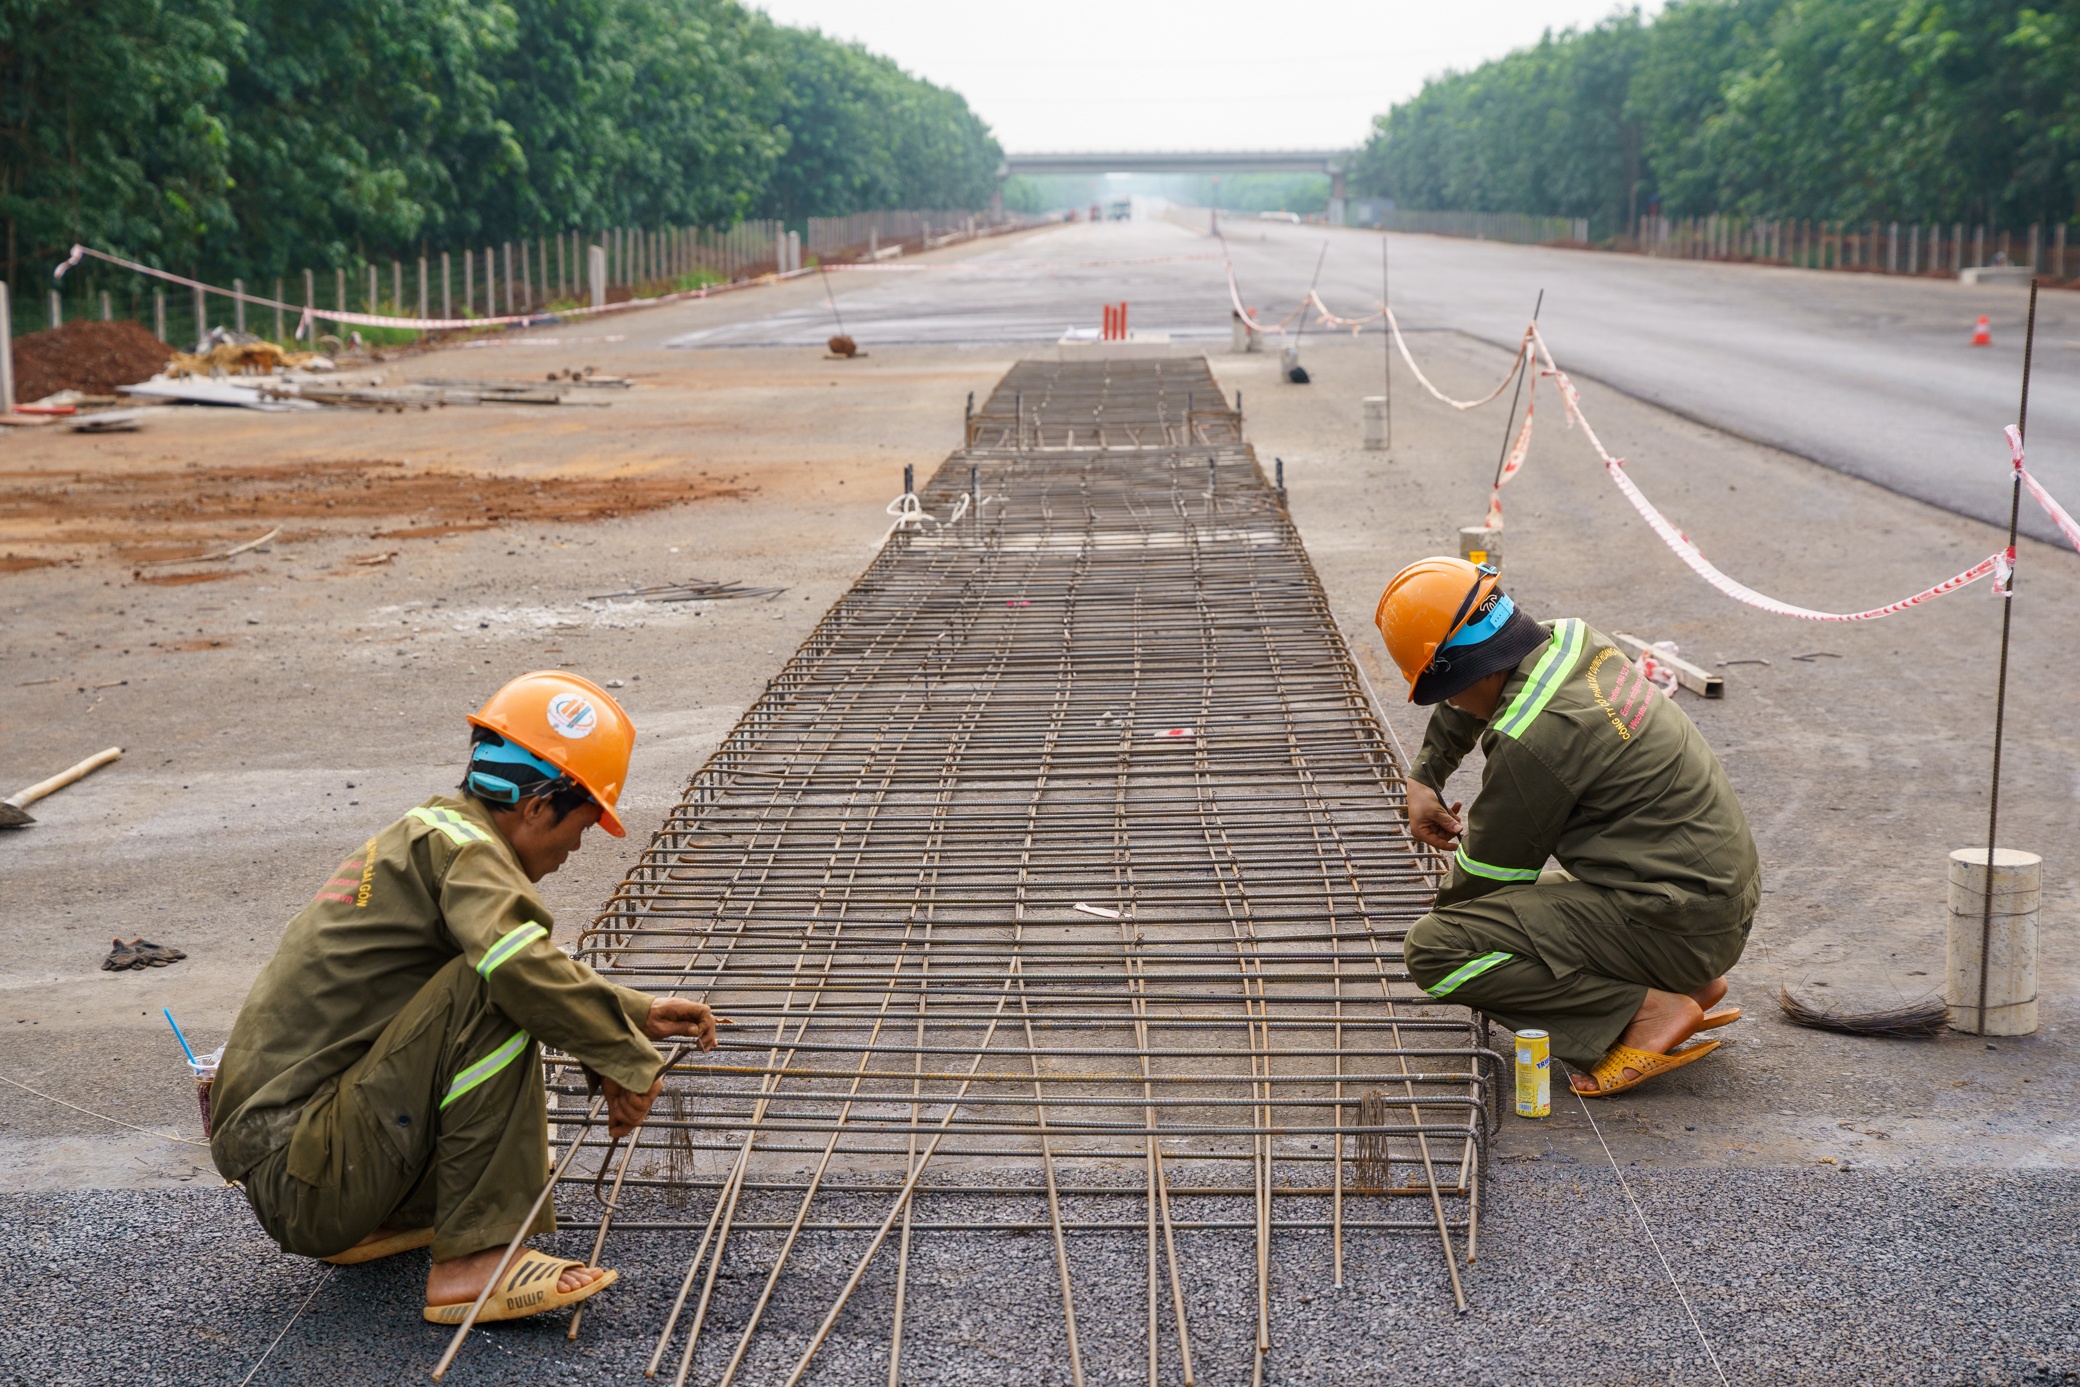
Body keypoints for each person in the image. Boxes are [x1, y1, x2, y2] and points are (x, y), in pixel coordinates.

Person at [208, 671, 717, 1324]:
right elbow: (511, 966)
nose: (577, 846)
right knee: (490, 984)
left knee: (498, 973)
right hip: (306, 1177)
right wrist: (626, 1055)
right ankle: (474, 1263)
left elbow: (516, 961)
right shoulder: (469, 853)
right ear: (536, 808)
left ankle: (388, 1214)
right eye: (583, 825)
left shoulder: (435, 835)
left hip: (306, 1168)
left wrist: (631, 1012)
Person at [1374, 558, 1759, 1096]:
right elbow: (1483, 684)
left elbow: (1489, 873)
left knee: (1439, 950)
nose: (1453, 704)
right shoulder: (1573, 641)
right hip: (1710, 900)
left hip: (1679, 923)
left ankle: (1647, 1010)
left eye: (1448, 691)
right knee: (1516, 919)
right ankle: (1688, 982)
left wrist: (1464, 931)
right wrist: (1425, 777)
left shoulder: (1533, 738)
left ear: (1467, 671)